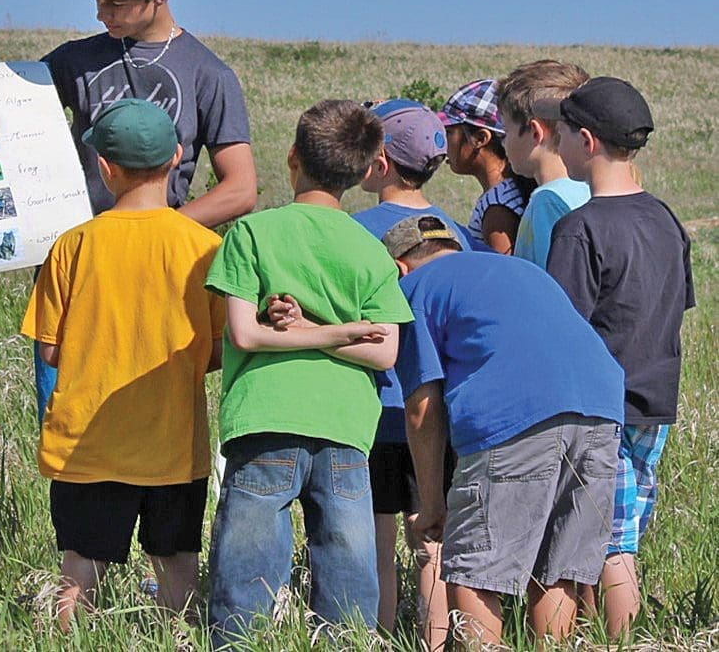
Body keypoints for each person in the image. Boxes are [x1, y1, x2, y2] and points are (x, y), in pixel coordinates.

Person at [205, 100, 413, 646]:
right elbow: (384, 352)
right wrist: (340, 332)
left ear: (292, 156)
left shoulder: (251, 233)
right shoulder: (369, 250)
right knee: (348, 574)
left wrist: (297, 332)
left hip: (264, 415)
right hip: (345, 424)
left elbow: (246, 335)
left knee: (244, 577)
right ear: (368, 171)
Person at [35, 0, 257, 424]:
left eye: (115, 3)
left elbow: (240, 188)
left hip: (160, 276)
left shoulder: (207, 73)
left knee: (154, 415)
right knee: (63, 416)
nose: (101, 13)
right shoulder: (74, 60)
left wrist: (155, 230)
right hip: (80, 267)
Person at [19, 99, 224, 629]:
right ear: (178, 157)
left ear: (104, 168)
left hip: (89, 445)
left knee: (80, 569)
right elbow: (219, 351)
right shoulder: (205, 247)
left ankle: (69, 639)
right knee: (177, 562)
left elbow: (49, 350)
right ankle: (174, 640)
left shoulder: (72, 246)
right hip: (174, 446)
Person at [381, 215, 624, 647]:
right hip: (602, 409)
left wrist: (433, 503)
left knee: (475, 572)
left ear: (399, 266)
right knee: (557, 571)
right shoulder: (519, 269)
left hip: (515, 418)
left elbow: (421, 409)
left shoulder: (413, 290)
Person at [546, 77, 694, 637]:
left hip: (601, 407)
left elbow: (560, 331)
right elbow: (678, 306)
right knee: (623, 527)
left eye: (559, 132)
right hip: (656, 400)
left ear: (585, 140)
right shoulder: (665, 219)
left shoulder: (579, 228)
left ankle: (622, 642)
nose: (556, 143)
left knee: (609, 541)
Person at [350, 99, 468, 647]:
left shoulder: (352, 231)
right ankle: (436, 638)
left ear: (378, 161)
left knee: (375, 536)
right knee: (433, 535)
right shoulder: (454, 234)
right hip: (439, 413)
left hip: (370, 411)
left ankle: (377, 634)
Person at [496, 60, 591, 267]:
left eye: (506, 132)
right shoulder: (595, 190)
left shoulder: (547, 202)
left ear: (535, 132)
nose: (503, 142)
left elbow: (552, 287)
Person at [438, 78, 531, 253]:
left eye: (449, 133)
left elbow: (500, 272)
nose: (444, 143)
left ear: (480, 139)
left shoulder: (498, 206)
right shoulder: (507, 193)